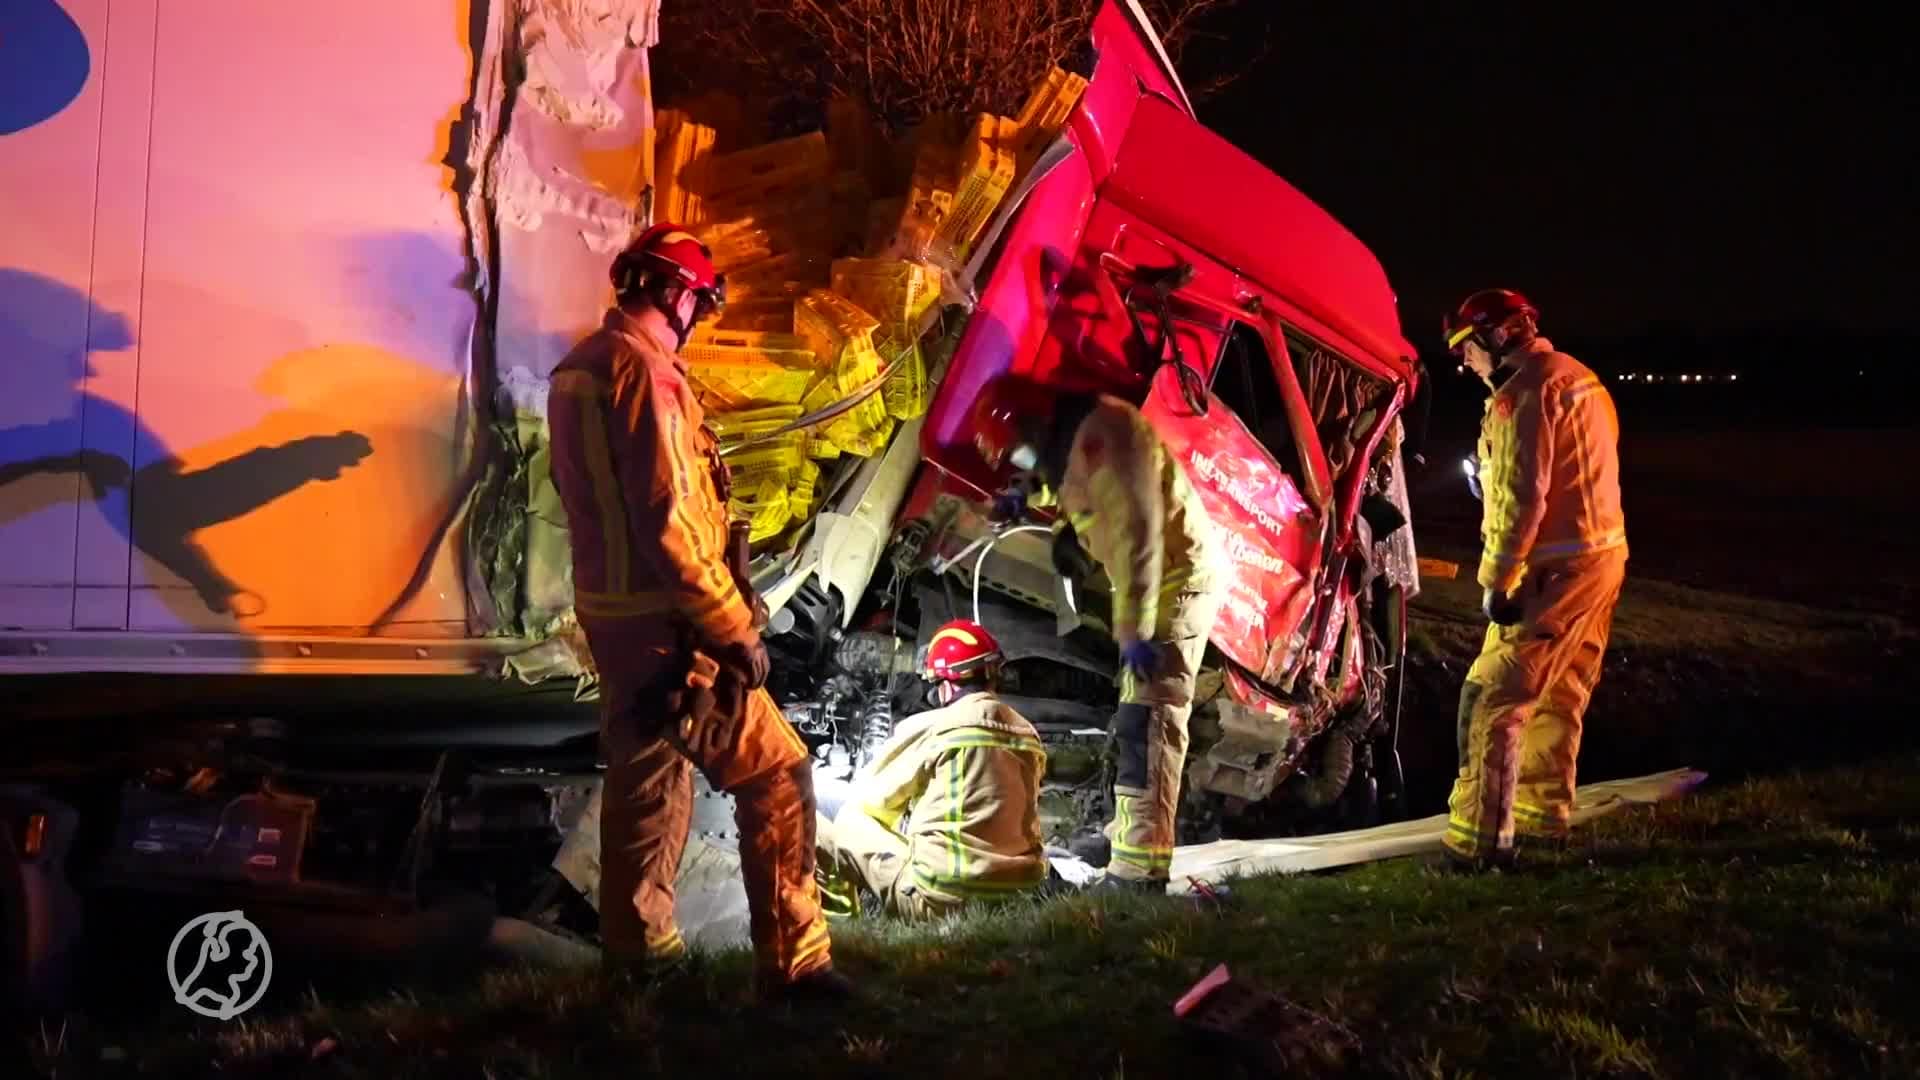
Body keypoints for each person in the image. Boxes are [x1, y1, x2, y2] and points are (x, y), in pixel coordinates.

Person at [545, 222, 850, 1002]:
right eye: (701, 304)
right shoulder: (649, 377)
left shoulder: (578, 368)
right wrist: (734, 627)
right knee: (777, 772)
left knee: (649, 783)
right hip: (672, 626)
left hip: (614, 622)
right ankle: (797, 967)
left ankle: (642, 965)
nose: (699, 320)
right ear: (676, 293)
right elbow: (671, 523)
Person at [971, 378, 1225, 893]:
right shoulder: (1073, 433)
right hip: (1153, 586)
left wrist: (1134, 633)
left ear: (1033, 423)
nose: (1021, 460)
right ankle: (1129, 838)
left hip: (1175, 584)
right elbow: (1069, 480)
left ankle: (1138, 872)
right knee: (1138, 719)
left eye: (1018, 451)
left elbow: (1139, 543)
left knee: (1149, 722)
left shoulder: (1110, 437)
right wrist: (1025, 495)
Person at [1440, 288, 1629, 870]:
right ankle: (1543, 822)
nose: (1462, 362)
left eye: (1465, 348)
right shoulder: (1579, 378)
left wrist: (1498, 579)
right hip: (1602, 559)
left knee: (1493, 698)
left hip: (1550, 570)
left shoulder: (1521, 395)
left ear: (1495, 336)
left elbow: (1520, 498)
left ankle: (1477, 847)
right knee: (1561, 696)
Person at [816, 619, 1051, 918]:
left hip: (941, 901)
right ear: (993, 676)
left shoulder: (935, 727)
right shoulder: (1028, 734)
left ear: (946, 685)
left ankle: (839, 926)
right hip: (1017, 897)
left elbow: (870, 804)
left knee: (827, 819)